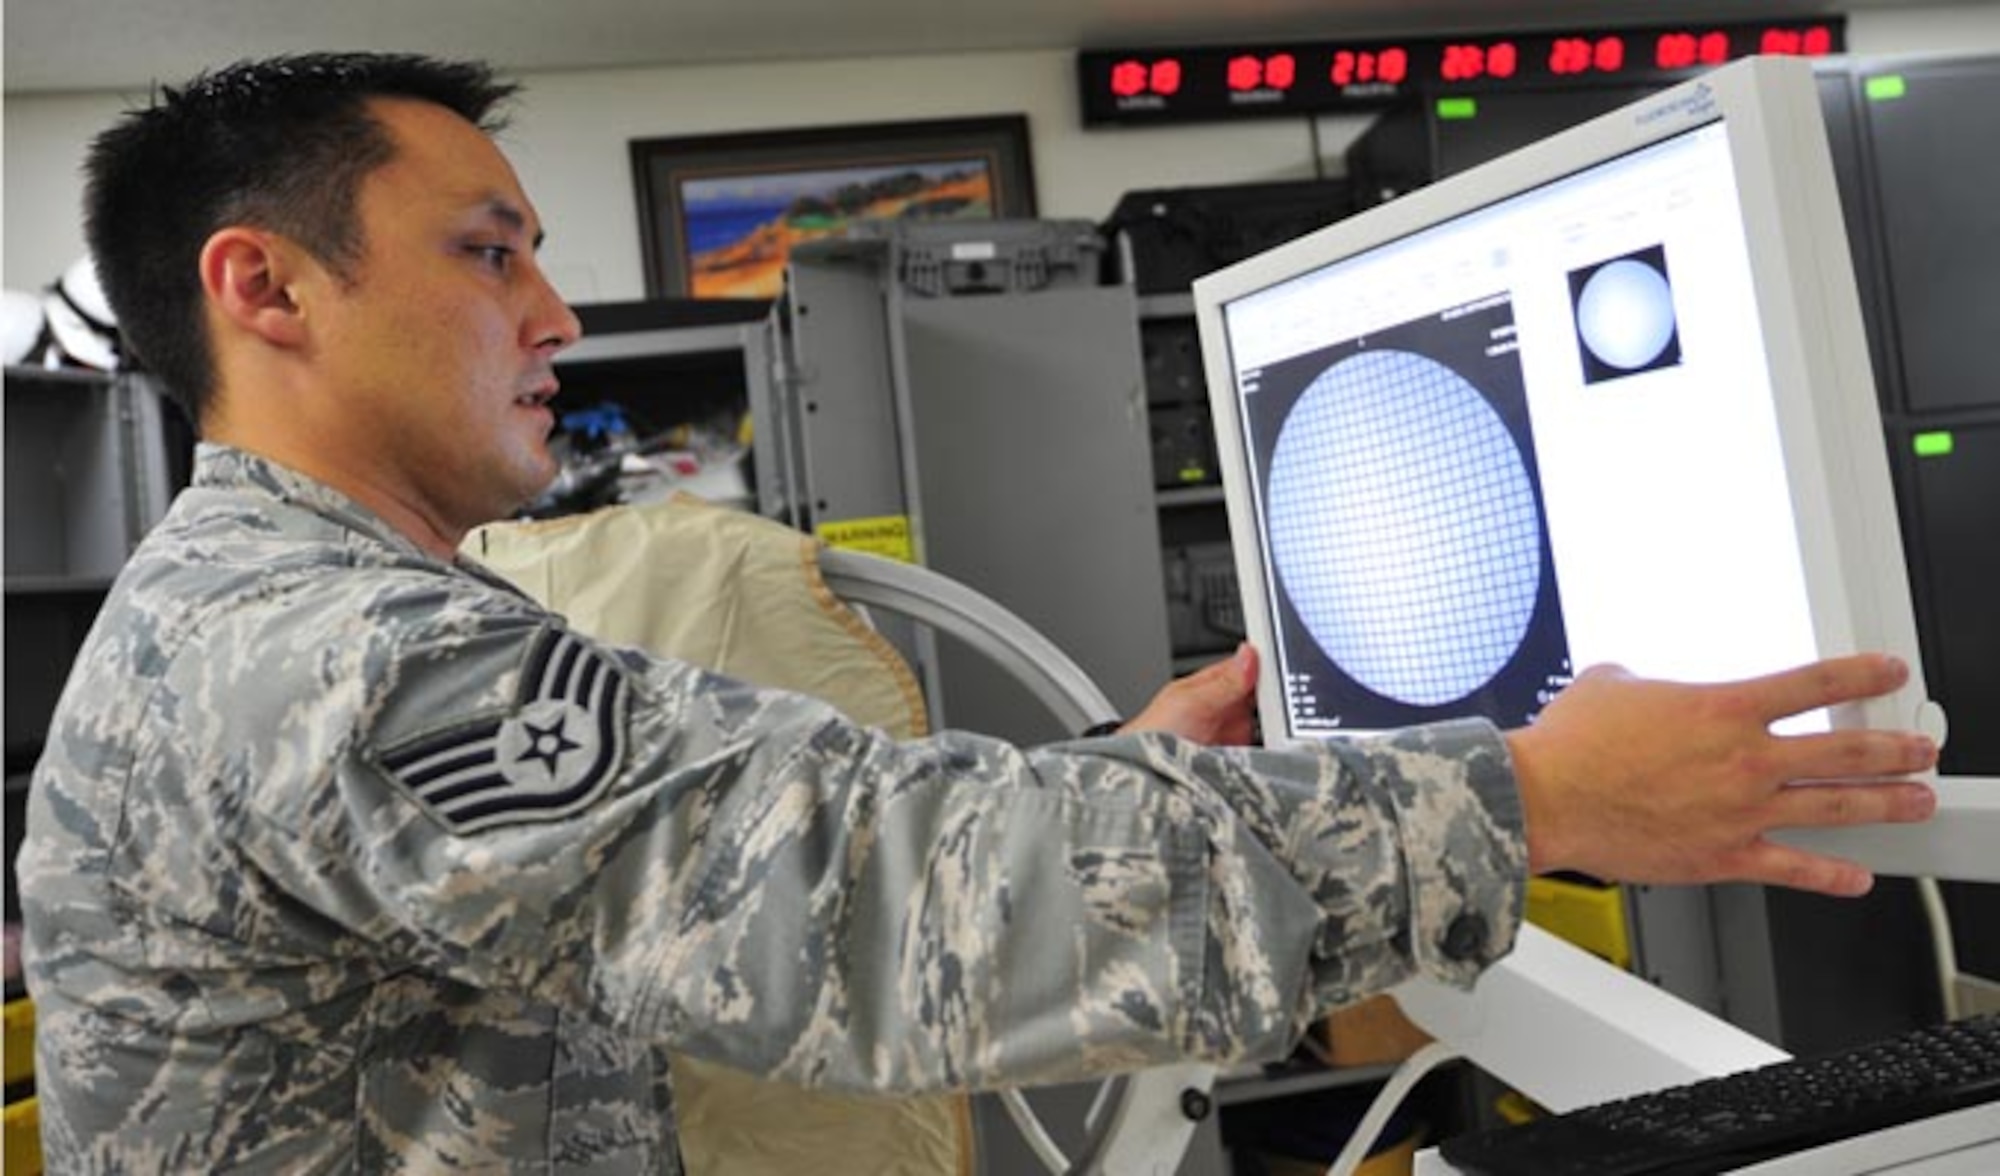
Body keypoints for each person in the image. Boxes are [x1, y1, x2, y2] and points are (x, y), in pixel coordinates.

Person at [19, 52, 1938, 1173]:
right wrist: (1524, 803)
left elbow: (725, 870)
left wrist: (1107, 778)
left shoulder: (290, 604)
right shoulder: (325, 653)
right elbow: (855, 897)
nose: (556, 317)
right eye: (486, 249)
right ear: (266, 289)